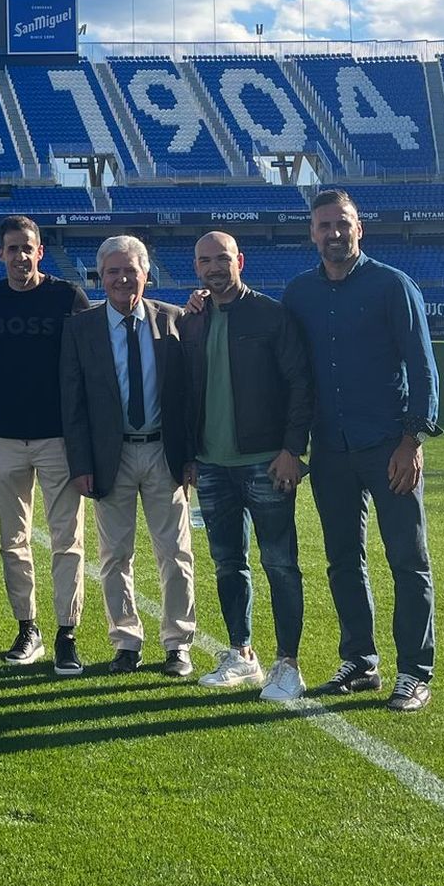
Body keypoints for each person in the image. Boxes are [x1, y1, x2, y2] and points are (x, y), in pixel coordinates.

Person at [282, 190, 439, 711]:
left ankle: (415, 672)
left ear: (359, 228)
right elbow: (292, 373)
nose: (333, 233)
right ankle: (360, 662)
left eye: (342, 223)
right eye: (324, 225)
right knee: (343, 560)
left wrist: (412, 440)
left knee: (408, 560)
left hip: (387, 447)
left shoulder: (393, 285)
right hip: (330, 451)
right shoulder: (299, 292)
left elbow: (423, 370)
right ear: (312, 232)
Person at [180, 230, 313, 704]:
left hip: (265, 461)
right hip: (212, 465)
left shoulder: (271, 315)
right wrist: (189, 456)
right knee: (227, 563)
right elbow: (185, 393)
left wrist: (291, 450)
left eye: (222, 259)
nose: (214, 268)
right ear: (196, 268)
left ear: (240, 261)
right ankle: (242, 653)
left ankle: (288, 664)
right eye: (205, 261)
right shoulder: (191, 321)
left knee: (280, 564)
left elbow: (300, 384)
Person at [60, 234, 196, 676]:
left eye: (130, 270)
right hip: (109, 456)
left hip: (163, 452)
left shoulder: (175, 320)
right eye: (112, 271)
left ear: (146, 274)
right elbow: (73, 403)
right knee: (115, 555)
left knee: (174, 552)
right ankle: (126, 641)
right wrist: (81, 464)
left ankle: (178, 643)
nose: (121, 278)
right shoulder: (81, 327)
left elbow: (190, 399)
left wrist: (190, 454)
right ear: (100, 278)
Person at [0, 215, 91, 673]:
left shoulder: (66, 296)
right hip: (3, 437)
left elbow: (99, 343)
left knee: (67, 540)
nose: (20, 257)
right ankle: (28, 628)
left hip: (57, 436)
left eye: (28, 248)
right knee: (12, 540)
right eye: (12, 249)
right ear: (1, 254)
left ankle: (67, 632)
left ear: (40, 252)